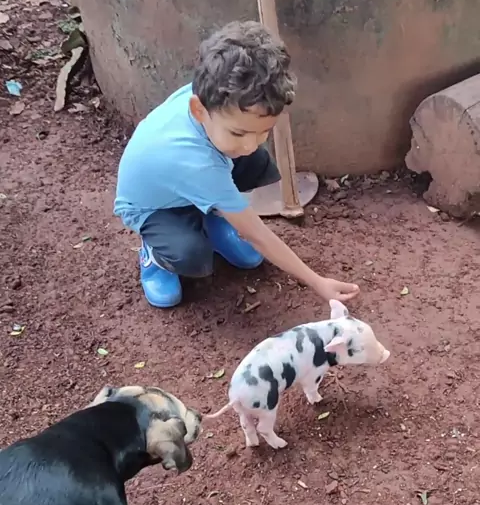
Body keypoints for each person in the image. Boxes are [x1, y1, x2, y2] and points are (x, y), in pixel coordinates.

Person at [114, 21, 360, 309]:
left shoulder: (218, 95)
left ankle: (217, 214)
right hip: (155, 207)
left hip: (191, 180)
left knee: (255, 163)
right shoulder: (195, 163)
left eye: (263, 131)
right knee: (192, 256)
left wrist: (238, 142)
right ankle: (155, 256)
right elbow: (257, 235)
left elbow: (239, 146)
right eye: (239, 133)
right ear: (198, 109)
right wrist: (317, 281)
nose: (250, 144)